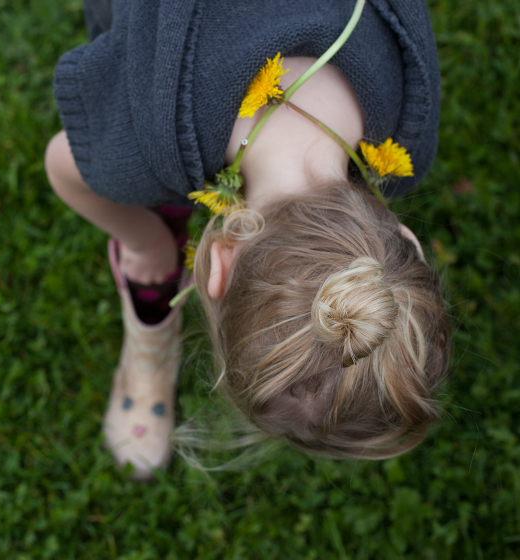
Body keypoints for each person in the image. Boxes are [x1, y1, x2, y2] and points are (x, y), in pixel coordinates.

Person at [45, 0, 451, 480]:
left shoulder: (410, 118)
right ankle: (148, 290)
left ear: (408, 242)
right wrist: (146, 244)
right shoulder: (144, 142)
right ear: (216, 265)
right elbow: (62, 164)